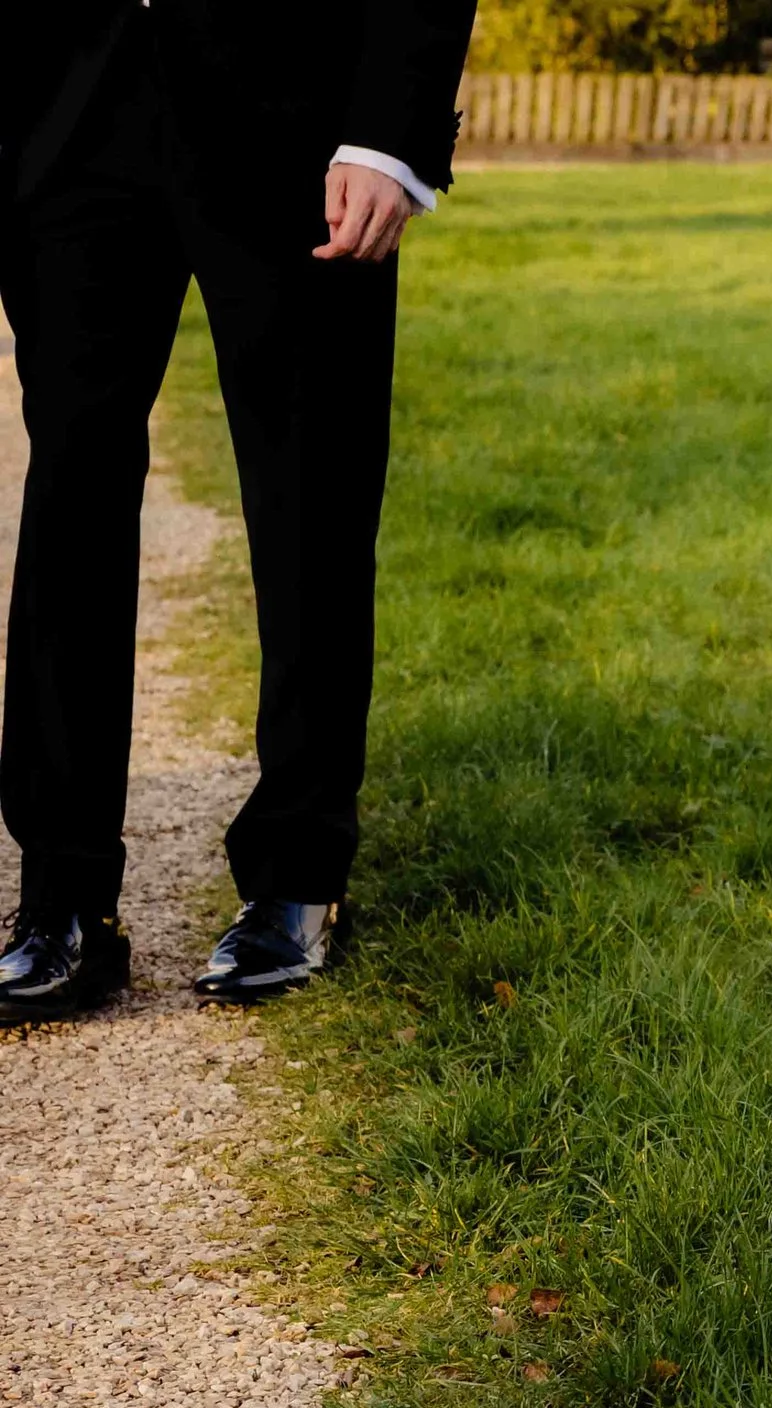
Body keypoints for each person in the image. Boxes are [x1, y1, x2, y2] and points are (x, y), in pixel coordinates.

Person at [0, 0, 474, 1022]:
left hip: (296, 118)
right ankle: (61, 895)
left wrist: (391, 131)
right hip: (68, 107)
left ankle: (299, 872)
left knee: (311, 493)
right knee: (69, 491)